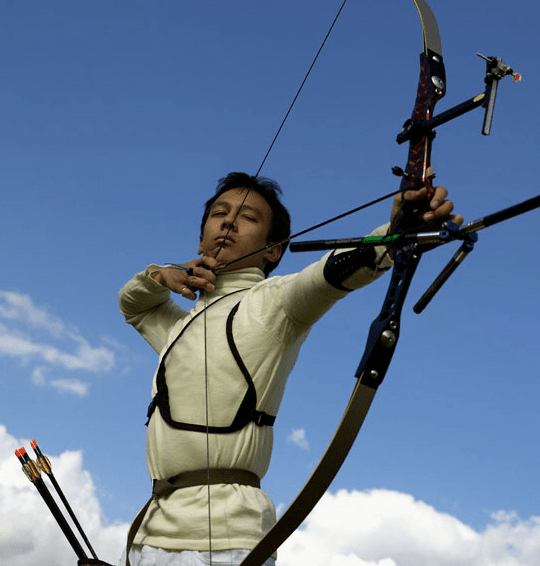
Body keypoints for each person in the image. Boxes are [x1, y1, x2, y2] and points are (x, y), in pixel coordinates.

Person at [117, 172, 460, 566]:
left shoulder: (273, 305)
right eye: (219, 213)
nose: (228, 222)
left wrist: (394, 234)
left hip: (226, 544)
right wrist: (160, 275)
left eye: (248, 218)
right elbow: (133, 304)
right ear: (201, 238)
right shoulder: (178, 326)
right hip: (150, 538)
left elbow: (329, 274)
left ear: (273, 251)